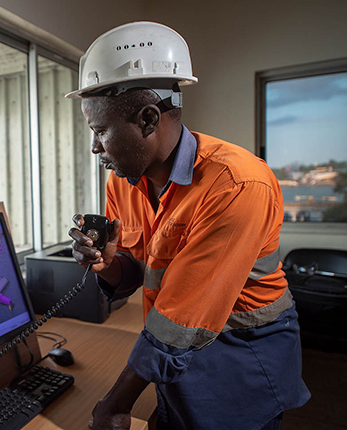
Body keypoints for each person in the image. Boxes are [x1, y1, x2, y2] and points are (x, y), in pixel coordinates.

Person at [66, 22, 310, 430]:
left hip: (240, 358)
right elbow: (137, 275)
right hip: (170, 351)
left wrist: (115, 404)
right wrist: (106, 263)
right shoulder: (123, 180)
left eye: (100, 131)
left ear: (147, 120)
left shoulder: (237, 184)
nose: (94, 147)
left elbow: (182, 319)